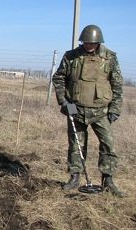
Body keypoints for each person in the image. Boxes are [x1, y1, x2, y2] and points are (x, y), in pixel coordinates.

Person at [52, 25, 125, 197]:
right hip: (76, 109)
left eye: (92, 43)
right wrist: (63, 102)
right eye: (86, 42)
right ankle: (75, 177)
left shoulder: (109, 58)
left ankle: (108, 180)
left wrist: (114, 109)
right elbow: (59, 78)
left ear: (98, 42)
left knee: (108, 145)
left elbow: (117, 85)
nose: (89, 45)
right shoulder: (71, 57)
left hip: (101, 111)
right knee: (76, 145)